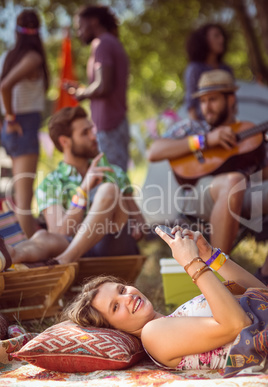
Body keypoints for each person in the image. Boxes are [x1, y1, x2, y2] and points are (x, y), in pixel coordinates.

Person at [62, 226, 268, 377]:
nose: (128, 297)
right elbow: (237, 325)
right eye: (115, 307)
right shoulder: (154, 335)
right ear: (114, 329)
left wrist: (209, 254)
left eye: (122, 290)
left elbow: (260, 293)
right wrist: (190, 262)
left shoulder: (173, 319)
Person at [148, 69, 268, 260]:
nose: (206, 107)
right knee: (233, 181)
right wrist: (204, 141)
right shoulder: (192, 128)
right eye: (202, 101)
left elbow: (262, 174)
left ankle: (265, 273)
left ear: (230, 100)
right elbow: (154, 151)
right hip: (197, 196)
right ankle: (217, 274)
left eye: (212, 100)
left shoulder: (250, 132)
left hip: (244, 196)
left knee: (236, 183)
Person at [35, 105, 144, 262]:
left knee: (109, 189)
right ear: (65, 141)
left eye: (91, 130)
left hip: (115, 248)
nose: (94, 137)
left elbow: (140, 221)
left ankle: (67, 259)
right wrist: (84, 190)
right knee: (45, 237)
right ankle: (67, 257)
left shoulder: (114, 172)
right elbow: (59, 235)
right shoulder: (50, 183)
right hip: (80, 257)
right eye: (84, 133)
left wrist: (137, 226)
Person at [0, 9, 49, 237]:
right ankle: (29, 251)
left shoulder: (9, 57)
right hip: (22, 125)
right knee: (24, 200)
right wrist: (11, 118)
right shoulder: (32, 57)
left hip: (14, 125)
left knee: (21, 198)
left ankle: (24, 249)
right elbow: (5, 86)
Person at [65, 5, 130, 171]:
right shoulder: (110, 43)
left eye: (80, 27)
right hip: (115, 121)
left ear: (93, 21)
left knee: (112, 179)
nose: (79, 33)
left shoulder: (102, 44)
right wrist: (84, 90)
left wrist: (81, 93)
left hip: (109, 125)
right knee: (115, 179)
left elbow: (103, 86)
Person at [184, 23, 233, 120]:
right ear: (204, 40)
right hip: (205, 125)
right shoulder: (195, 69)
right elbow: (191, 105)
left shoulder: (226, 69)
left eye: (222, 36)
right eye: (216, 36)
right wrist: (203, 133)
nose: (221, 39)